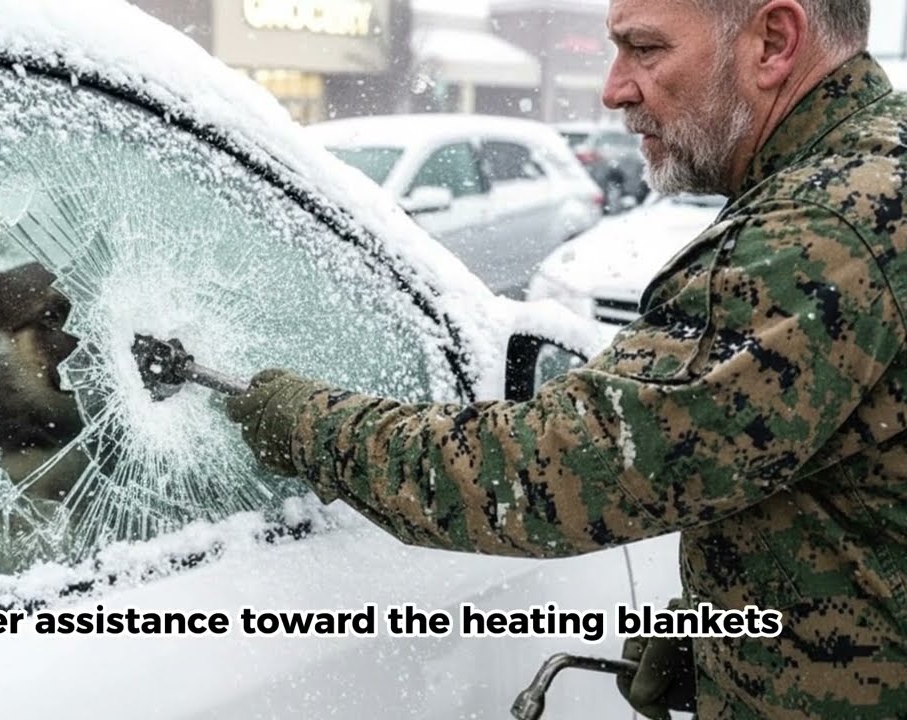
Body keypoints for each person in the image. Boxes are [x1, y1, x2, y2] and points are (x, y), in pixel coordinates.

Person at [225, 0, 907, 717]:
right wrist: (753, 639)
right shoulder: (871, 171)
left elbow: (564, 466)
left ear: (773, 41)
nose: (614, 89)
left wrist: (308, 426)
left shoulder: (830, 225)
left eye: (645, 49)